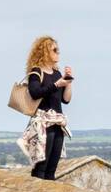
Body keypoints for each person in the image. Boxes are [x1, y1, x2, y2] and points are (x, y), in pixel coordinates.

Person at [20, 36, 73, 180]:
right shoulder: (36, 72)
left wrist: (68, 81)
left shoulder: (57, 73)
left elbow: (65, 100)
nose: (58, 53)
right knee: (40, 168)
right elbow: (35, 93)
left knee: (51, 169)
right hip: (43, 125)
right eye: (54, 50)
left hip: (57, 125)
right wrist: (57, 84)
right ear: (45, 52)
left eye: (58, 50)